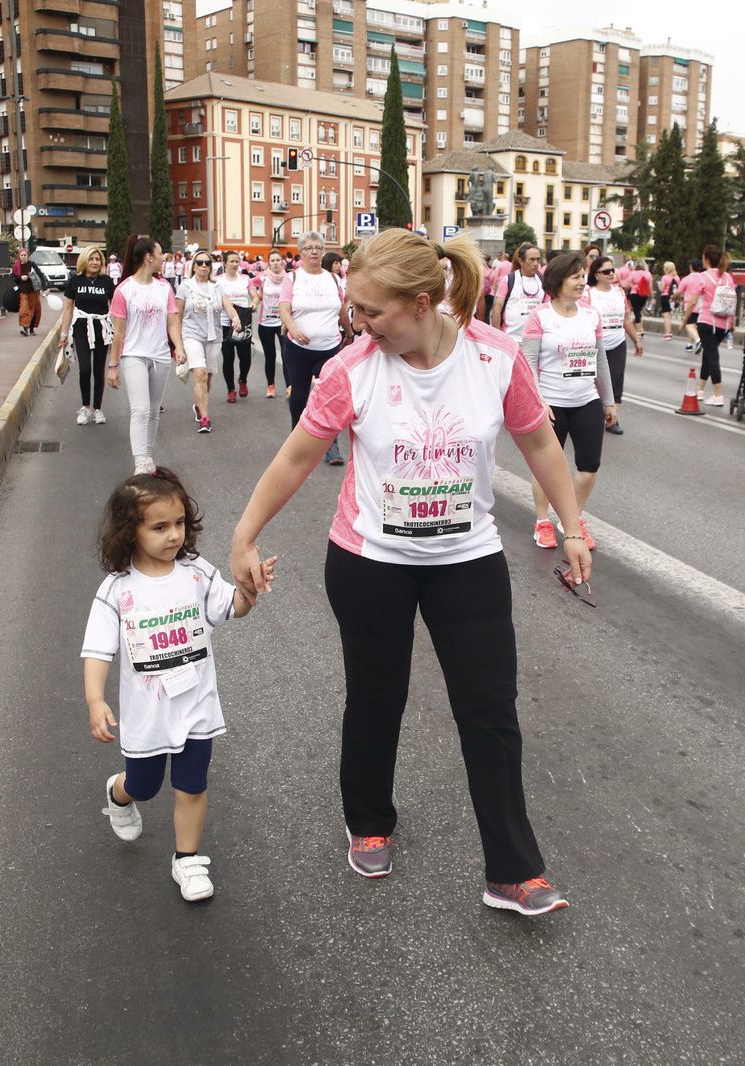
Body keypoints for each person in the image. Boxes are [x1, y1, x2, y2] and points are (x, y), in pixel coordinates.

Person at [229, 230, 588, 916]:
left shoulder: (495, 357)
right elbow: (297, 456)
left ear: (422, 303)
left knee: (490, 711)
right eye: (353, 308)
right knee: (376, 698)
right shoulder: (352, 369)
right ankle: (368, 820)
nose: (357, 322)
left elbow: (540, 441)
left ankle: (513, 870)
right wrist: (245, 535)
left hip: (468, 560)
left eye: (371, 310)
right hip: (371, 564)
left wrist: (574, 528)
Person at [83, 468, 273, 903]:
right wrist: (95, 699)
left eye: (179, 523)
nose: (173, 535)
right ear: (130, 532)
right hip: (147, 715)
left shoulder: (195, 572)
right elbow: (97, 650)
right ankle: (119, 793)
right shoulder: (117, 590)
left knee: (192, 784)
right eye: (159, 527)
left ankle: (187, 859)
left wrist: (249, 589)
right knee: (145, 785)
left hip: (196, 706)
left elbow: (231, 608)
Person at [524, 250, 617, 549]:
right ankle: (542, 521)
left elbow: (600, 360)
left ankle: (571, 520)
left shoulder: (591, 315)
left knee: (589, 468)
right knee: (547, 468)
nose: (581, 282)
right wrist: (539, 401)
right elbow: (528, 363)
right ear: (558, 280)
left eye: (583, 277)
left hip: (586, 400)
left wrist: (609, 400)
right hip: (550, 402)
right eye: (575, 277)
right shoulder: (540, 316)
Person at [106, 237, 185, 474]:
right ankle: (140, 462)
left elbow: (173, 322)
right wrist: (113, 366)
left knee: (152, 411)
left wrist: (179, 348)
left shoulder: (164, 288)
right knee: (140, 410)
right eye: (160, 253)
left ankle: (147, 456)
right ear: (149, 257)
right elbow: (119, 332)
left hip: (160, 356)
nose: (163, 258)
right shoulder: (124, 290)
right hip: (134, 356)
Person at [280, 231, 349, 465]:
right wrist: (294, 329)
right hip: (298, 350)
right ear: (301, 253)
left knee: (329, 398)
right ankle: (296, 443)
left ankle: (331, 446)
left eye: (318, 247)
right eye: (309, 248)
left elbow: (341, 310)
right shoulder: (293, 278)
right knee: (299, 396)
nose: (314, 252)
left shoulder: (333, 279)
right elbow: (284, 309)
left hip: (329, 349)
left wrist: (349, 333)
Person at [52, 245, 117, 426]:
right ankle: (85, 406)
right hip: (81, 328)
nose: (95, 262)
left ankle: (97, 409)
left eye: (97, 259)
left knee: (98, 370)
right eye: (91, 259)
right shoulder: (76, 281)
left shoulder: (106, 282)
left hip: (101, 328)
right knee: (85, 369)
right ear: (84, 261)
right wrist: (63, 334)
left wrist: (119, 331)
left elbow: (115, 307)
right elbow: (68, 309)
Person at [177, 251, 238, 434]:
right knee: (200, 374)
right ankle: (205, 418)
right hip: (192, 335)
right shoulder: (185, 287)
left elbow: (228, 305)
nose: (204, 266)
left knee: (208, 376)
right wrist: (177, 344)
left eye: (207, 263)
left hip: (213, 336)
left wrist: (235, 318)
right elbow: (177, 316)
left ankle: (199, 405)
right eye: (200, 262)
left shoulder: (217, 286)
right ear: (193, 266)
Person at [584, 255, 641, 435]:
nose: (611, 274)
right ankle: (590, 417)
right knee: (592, 382)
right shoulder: (588, 294)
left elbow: (626, 319)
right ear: (596, 274)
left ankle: (612, 419)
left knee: (616, 380)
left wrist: (636, 340)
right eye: (606, 271)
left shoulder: (619, 293)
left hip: (617, 342)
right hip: (594, 345)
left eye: (612, 270)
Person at [683, 244, 736, 406]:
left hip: (707, 321)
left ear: (705, 259)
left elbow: (693, 302)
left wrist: (685, 320)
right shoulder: (728, 277)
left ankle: (718, 394)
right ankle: (700, 390)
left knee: (712, 357)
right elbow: (733, 300)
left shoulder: (703, 277)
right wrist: (732, 322)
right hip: (724, 323)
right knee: (708, 354)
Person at [217, 250, 255, 404]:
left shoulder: (245, 279)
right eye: (231, 261)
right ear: (224, 263)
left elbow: (254, 295)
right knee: (228, 358)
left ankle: (243, 380)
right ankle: (230, 389)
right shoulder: (218, 281)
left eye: (236, 261)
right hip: (225, 323)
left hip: (243, 323)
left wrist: (254, 302)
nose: (234, 264)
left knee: (245, 357)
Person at [251, 250, 288, 397]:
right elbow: (250, 283)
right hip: (266, 323)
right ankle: (270, 386)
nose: (275, 263)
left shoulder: (289, 278)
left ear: (282, 262)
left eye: (278, 260)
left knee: (287, 356)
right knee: (270, 356)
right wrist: (256, 298)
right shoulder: (263, 278)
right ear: (269, 263)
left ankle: (290, 387)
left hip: (283, 323)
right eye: (272, 261)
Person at [489, 242, 545, 337]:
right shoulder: (509, 280)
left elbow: (547, 308)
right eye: (532, 259)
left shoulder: (543, 281)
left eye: (538, 259)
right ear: (521, 261)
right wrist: (498, 335)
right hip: (511, 337)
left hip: (535, 339)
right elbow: (497, 309)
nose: (536, 263)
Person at [11, 246, 43, 335]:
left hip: (34, 290)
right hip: (23, 291)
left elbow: (40, 275)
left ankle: (32, 329)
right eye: (22, 255)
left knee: (34, 310)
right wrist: (21, 278)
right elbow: (13, 278)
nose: (23, 257)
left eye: (25, 255)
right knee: (24, 309)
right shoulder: (16, 266)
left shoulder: (32, 264)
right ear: (19, 256)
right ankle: (25, 329)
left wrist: (44, 288)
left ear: (27, 256)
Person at [657, 260, 680, 338]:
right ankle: (669, 331)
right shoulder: (677, 277)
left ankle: (668, 333)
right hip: (673, 297)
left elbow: (662, 289)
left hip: (665, 296)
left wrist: (659, 286)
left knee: (666, 315)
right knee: (669, 315)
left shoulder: (665, 277)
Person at [627, 259, 652, 324]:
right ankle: (637, 325)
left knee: (637, 311)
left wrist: (625, 291)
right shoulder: (648, 274)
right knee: (638, 311)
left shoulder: (632, 273)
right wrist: (651, 296)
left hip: (634, 294)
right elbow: (650, 286)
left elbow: (628, 285)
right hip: (644, 294)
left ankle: (637, 326)